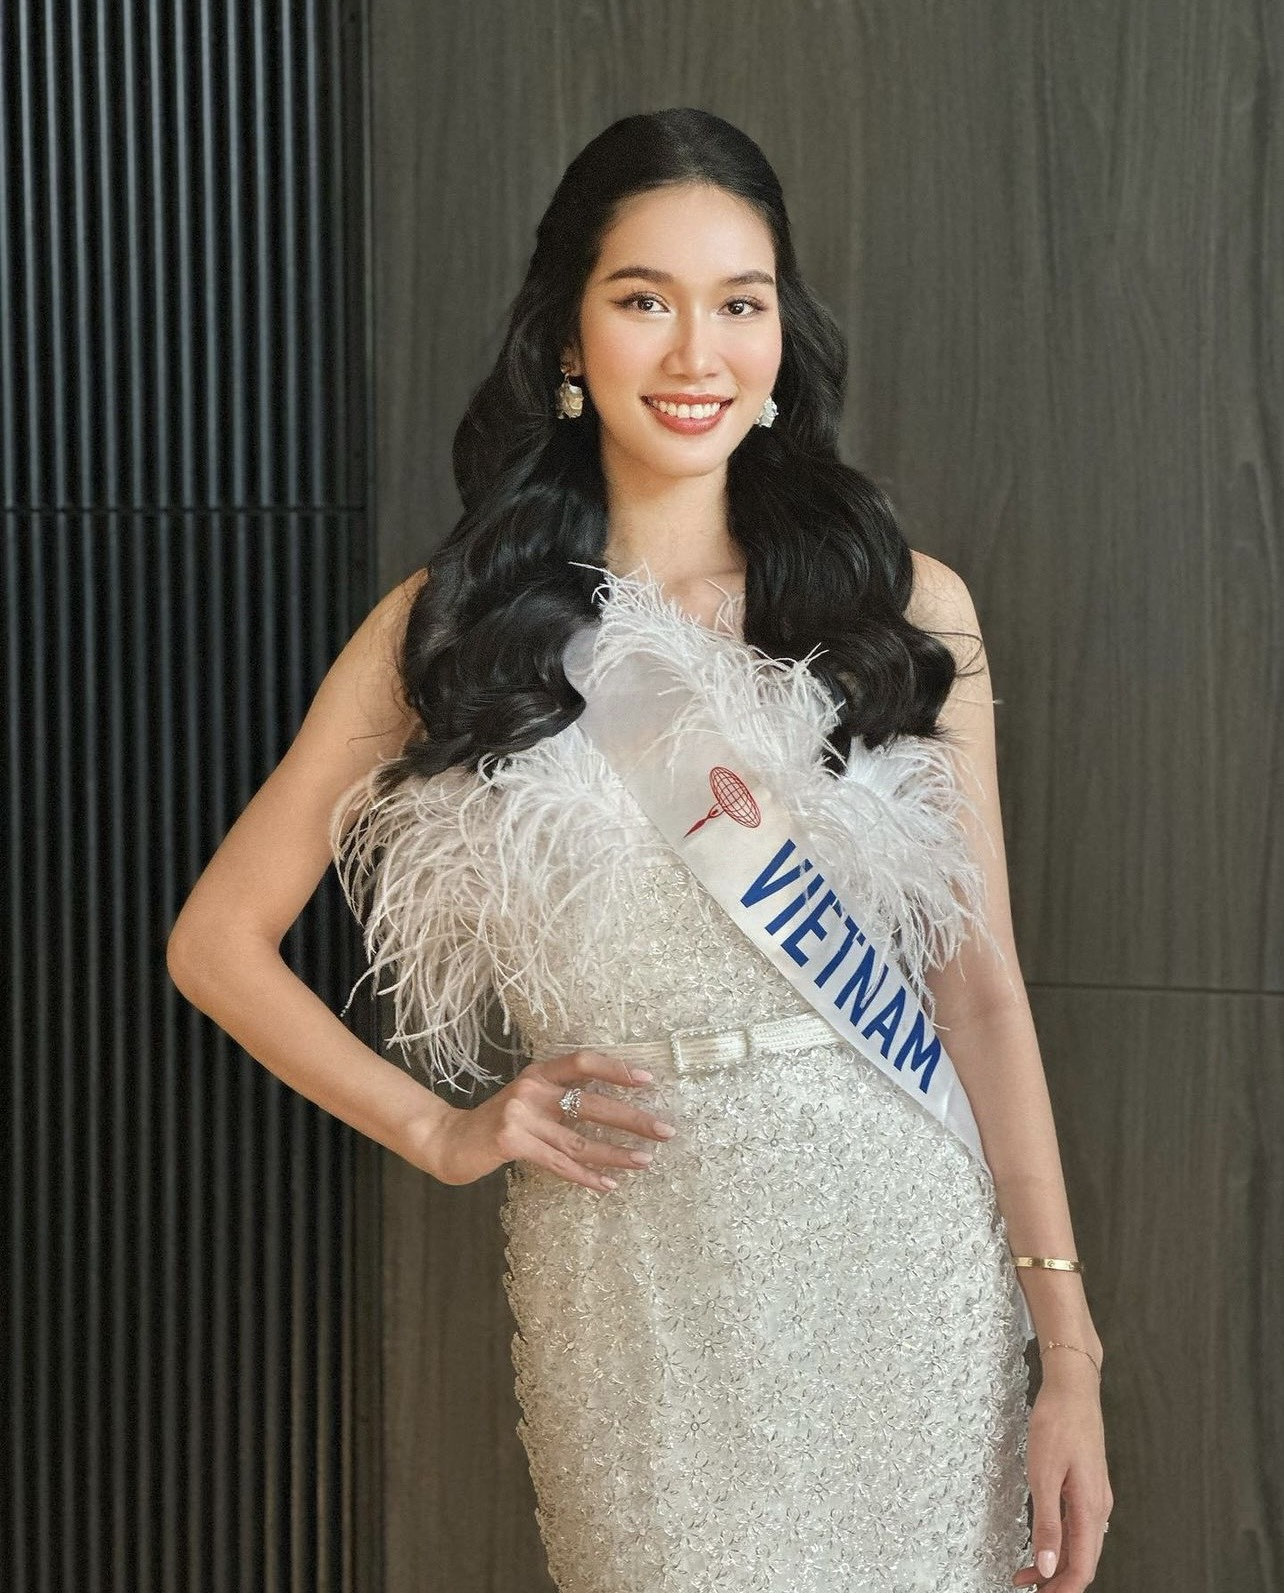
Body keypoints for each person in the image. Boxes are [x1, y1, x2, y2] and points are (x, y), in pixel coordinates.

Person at [168, 107, 1112, 1593]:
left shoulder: (902, 607)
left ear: (783, 337)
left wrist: (1069, 1352)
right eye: (643, 300)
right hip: (635, 1280)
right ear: (569, 335)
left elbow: (979, 994)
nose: (696, 353)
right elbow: (216, 943)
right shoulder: (460, 625)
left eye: (739, 303)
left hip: (904, 1259)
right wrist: (440, 1130)